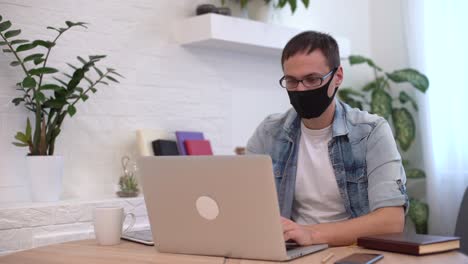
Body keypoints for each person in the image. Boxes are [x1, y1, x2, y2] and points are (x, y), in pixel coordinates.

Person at [246, 31, 408, 246]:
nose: (301, 89)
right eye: (292, 81)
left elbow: (391, 221)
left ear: (337, 76)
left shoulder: (371, 132)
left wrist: (311, 234)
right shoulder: (269, 133)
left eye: (312, 79)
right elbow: (243, 204)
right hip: (293, 251)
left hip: (354, 252)